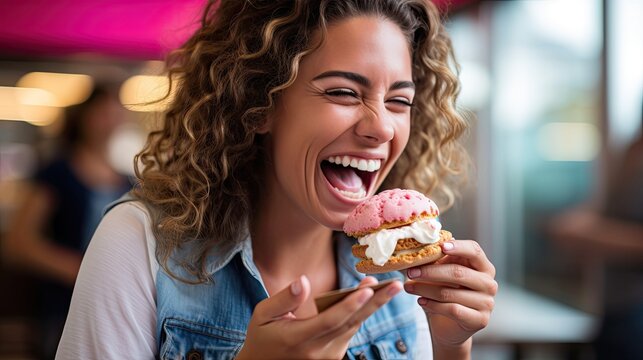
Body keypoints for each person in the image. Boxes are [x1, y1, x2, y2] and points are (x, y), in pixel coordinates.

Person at [56, 1, 497, 359]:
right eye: (343, 92)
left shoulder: (401, 269)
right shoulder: (141, 245)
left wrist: (452, 346)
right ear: (260, 103)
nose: (382, 128)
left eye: (400, 100)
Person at [3, 85, 131, 359]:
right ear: (85, 116)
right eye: (102, 111)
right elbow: (18, 243)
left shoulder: (127, 181)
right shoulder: (57, 172)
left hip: (110, 308)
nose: (109, 119)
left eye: (115, 111)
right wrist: (78, 269)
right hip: (61, 306)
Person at [550, 104, 643, 359]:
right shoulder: (629, 151)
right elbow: (607, 209)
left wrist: (590, 236)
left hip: (635, 309)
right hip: (616, 306)